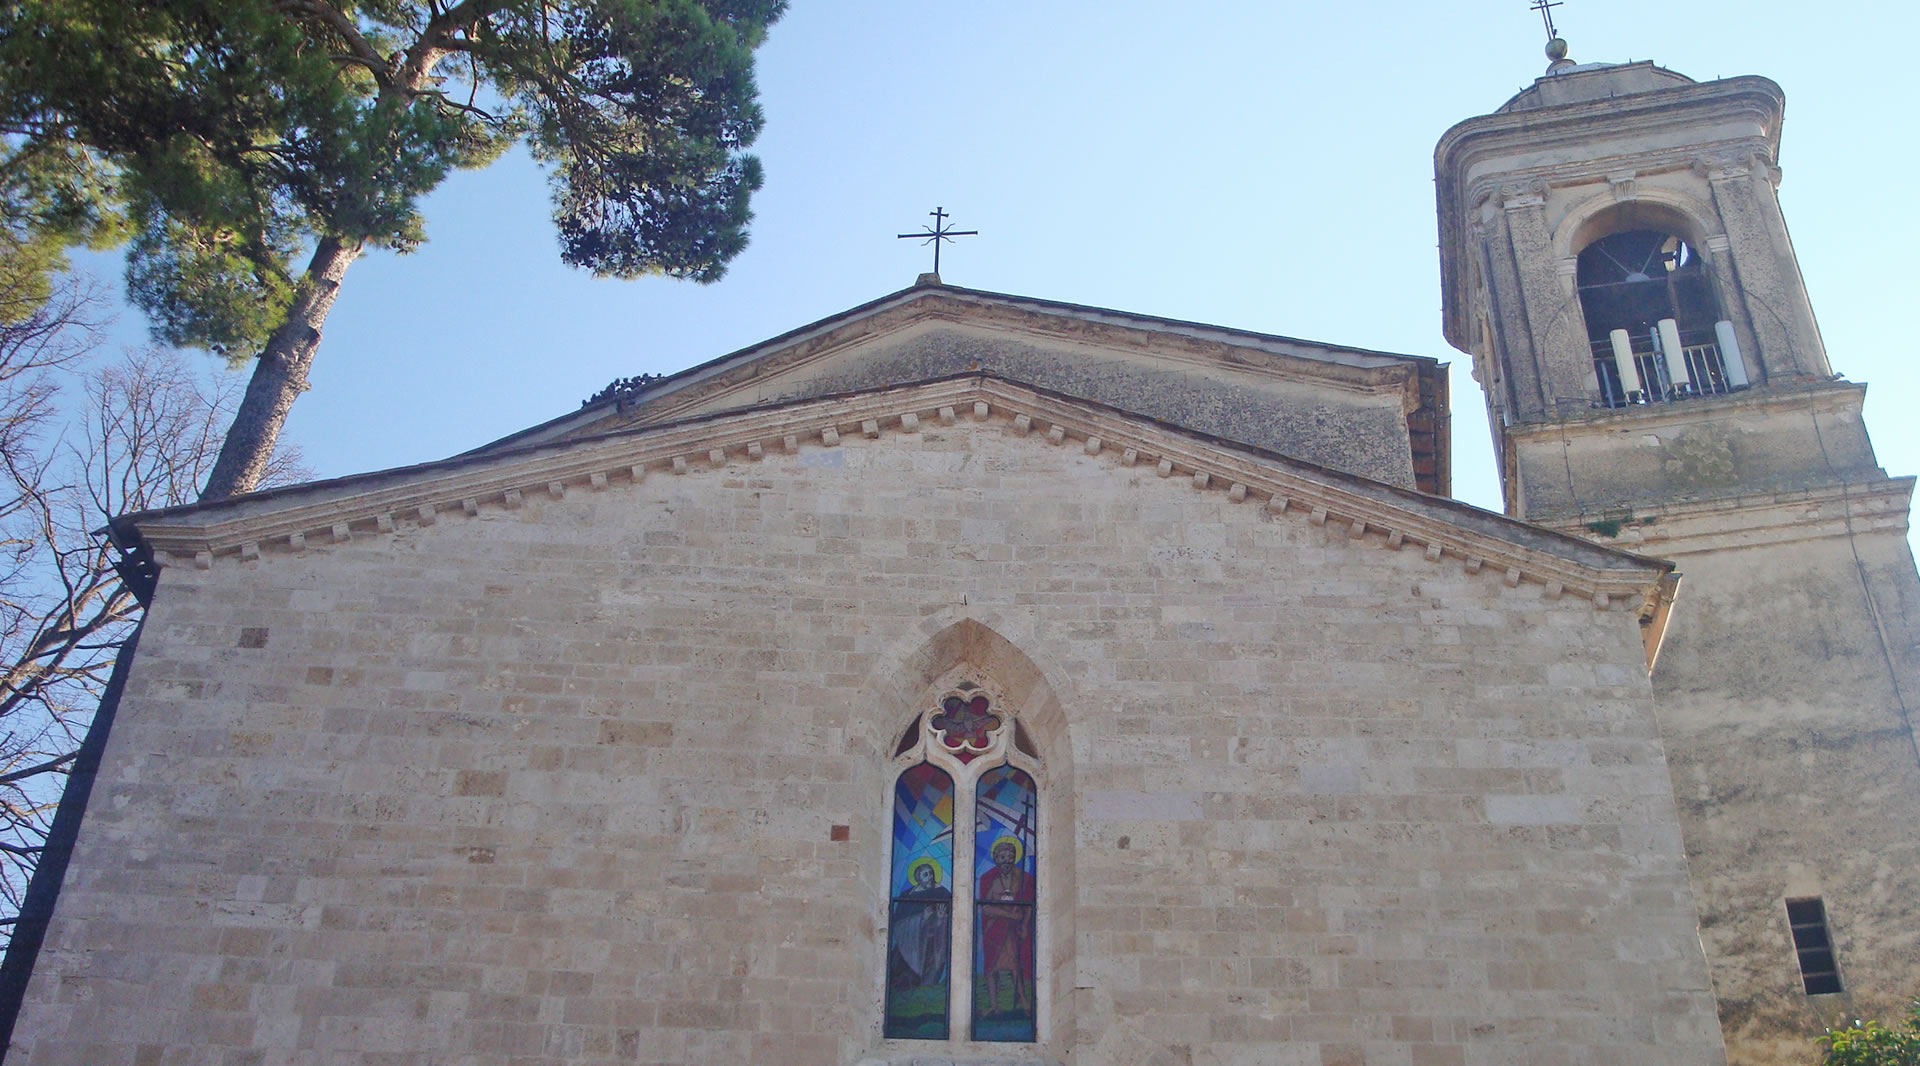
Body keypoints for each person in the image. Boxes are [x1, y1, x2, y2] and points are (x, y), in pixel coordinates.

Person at [975, 838, 1034, 1016]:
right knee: (991, 968)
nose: (1006, 860)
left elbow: (1029, 905)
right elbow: (985, 906)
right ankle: (994, 1006)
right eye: (1002, 856)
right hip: (994, 929)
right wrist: (1008, 914)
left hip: (1013, 930)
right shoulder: (989, 879)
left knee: (1015, 964)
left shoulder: (1024, 878)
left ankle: (1024, 1001)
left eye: (1010, 856)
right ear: (995, 858)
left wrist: (1024, 925)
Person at [888, 860, 950, 990]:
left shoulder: (943, 893)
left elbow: (949, 919)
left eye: (931, 873)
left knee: (931, 966)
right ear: (918, 878)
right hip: (911, 943)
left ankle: (926, 987)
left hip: (932, 942)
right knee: (901, 968)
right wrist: (922, 919)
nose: (930, 877)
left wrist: (940, 919)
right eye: (925, 874)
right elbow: (899, 921)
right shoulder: (907, 896)